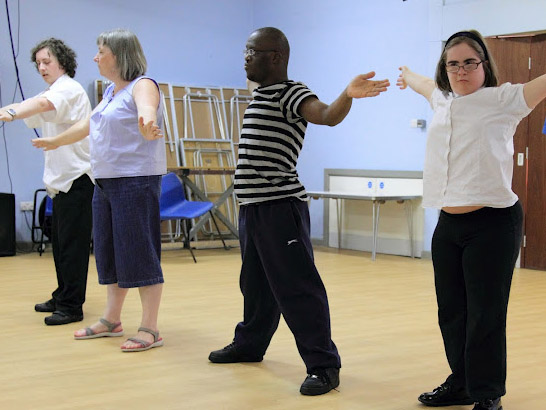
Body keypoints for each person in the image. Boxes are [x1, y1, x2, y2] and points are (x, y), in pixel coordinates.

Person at [208, 27, 389, 395]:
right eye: (245, 50)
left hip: (280, 208)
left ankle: (323, 365)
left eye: (252, 51)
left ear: (275, 56)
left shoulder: (293, 93)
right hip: (253, 209)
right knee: (255, 285)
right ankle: (250, 344)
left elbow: (326, 115)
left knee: (297, 288)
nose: (245, 56)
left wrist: (347, 95)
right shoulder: (260, 96)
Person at [397, 30, 546, 410]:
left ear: (483, 65)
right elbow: (423, 84)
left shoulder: (505, 99)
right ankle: (461, 382)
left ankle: (487, 393)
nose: (461, 70)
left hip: (493, 224)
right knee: (451, 311)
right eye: (453, 63)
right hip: (448, 225)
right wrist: (406, 74)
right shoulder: (441, 99)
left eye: (469, 62)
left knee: (485, 314)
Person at [32, 28, 166, 352]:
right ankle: (111, 319)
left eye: (101, 51)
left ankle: (150, 327)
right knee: (109, 254)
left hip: (135, 182)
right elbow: (88, 125)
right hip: (104, 183)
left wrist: (147, 123)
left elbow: (146, 107)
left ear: (118, 55)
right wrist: (55, 140)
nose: (95, 57)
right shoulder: (110, 92)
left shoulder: (142, 85)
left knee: (139, 253)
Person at [0, 38, 93, 326]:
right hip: (62, 181)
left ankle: (71, 306)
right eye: (38, 63)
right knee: (61, 243)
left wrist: (13, 113)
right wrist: (10, 109)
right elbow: (35, 104)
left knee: (73, 246)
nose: (41, 67)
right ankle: (62, 295)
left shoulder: (68, 88)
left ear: (62, 62)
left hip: (78, 179)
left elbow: (39, 104)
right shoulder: (53, 90)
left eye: (47, 61)